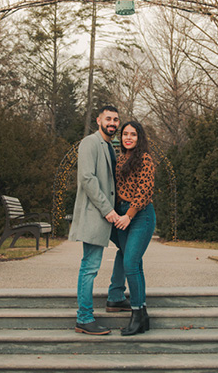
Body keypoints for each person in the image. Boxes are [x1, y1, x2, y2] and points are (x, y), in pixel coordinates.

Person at [67, 105, 128, 335]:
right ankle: (84, 318)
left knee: (127, 248)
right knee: (90, 266)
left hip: (110, 214)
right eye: (108, 118)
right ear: (98, 120)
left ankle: (115, 296)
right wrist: (107, 210)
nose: (113, 123)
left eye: (116, 119)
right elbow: (87, 178)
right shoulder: (89, 143)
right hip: (97, 214)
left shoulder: (110, 147)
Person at [112, 120, 157, 336]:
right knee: (135, 264)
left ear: (140, 138)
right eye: (125, 134)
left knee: (130, 262)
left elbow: (144, 191)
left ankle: (136, 314)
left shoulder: (145, 159)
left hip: (140, 215)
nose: (128, 137)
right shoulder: (120, 160)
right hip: (121, 215)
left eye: (133, 134)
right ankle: (143, 316)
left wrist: (129, 216)